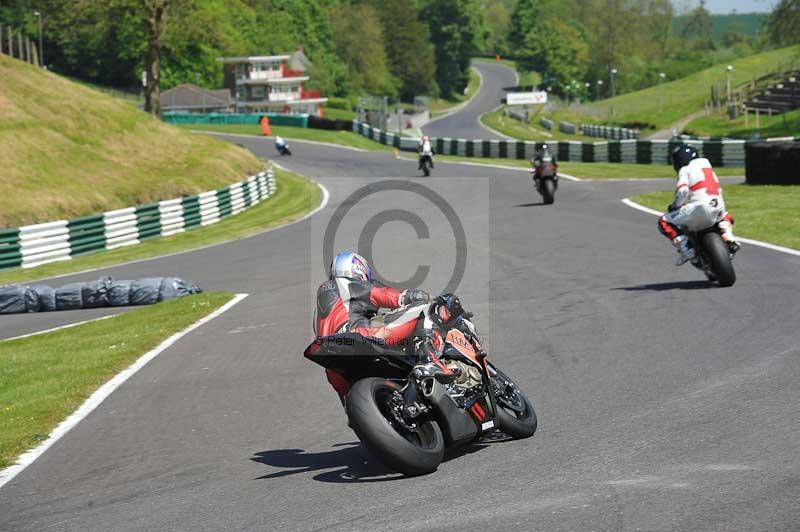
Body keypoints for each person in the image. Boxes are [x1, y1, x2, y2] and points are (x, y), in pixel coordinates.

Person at [314, 251, 454, 402]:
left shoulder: (319, 311)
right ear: (359, 270)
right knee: (425, 308)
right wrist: (418, 296)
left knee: (350, 402)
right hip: (360, 335)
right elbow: (386, 295)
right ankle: (431, 360)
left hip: (334, 366)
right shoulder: (349, 284)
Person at [658, 144, 740, 265]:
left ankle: (685, 248)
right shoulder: (707, 165)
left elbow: (683, 191)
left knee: (663, 221)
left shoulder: (684, 170)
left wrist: (675, 206)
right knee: (726, 216)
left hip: (699, 208)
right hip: (717, 205)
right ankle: (729, 237)